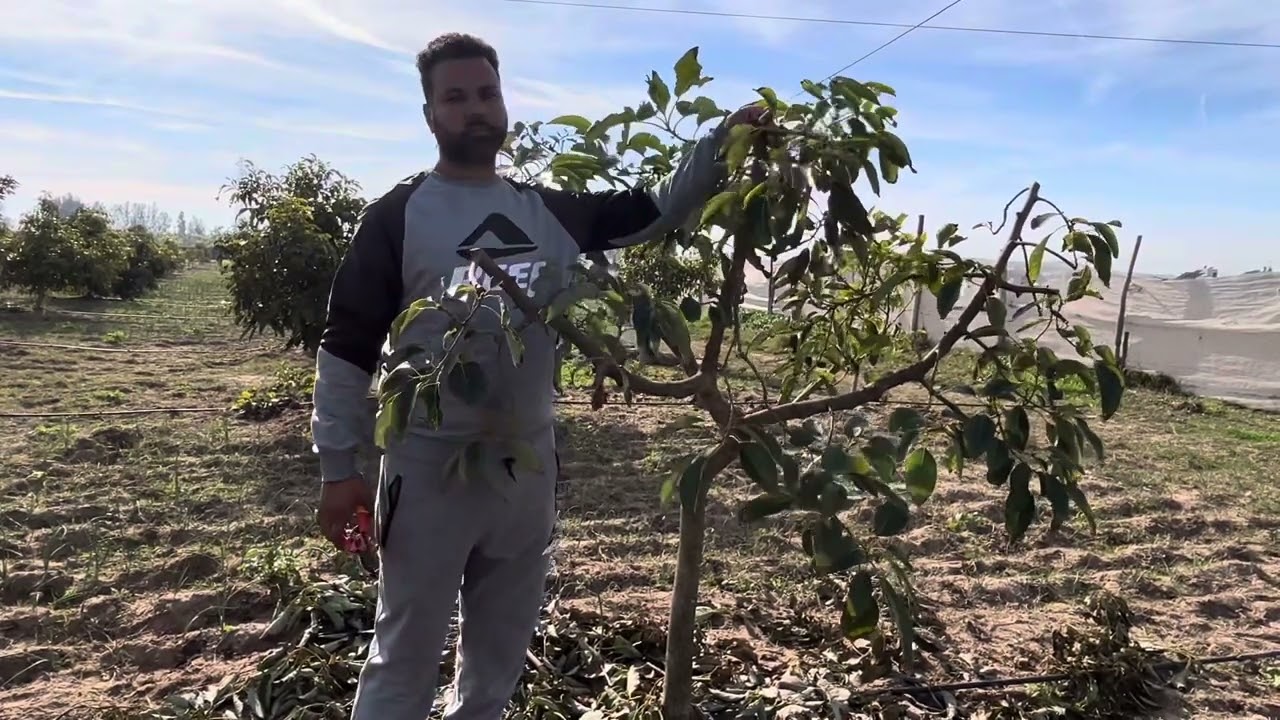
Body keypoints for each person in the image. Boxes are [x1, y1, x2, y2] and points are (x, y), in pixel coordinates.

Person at [310, 32, 769, 720]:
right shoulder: (400, 217)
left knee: (495, 667)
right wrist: (336, 467)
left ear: (504, 104)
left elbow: (652, 210)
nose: (475, 109)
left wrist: (720, 141)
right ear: (430, 114)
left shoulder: (547, 211)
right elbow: (347, 346)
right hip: (428, 468)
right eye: (456, 97)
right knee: (403, 660)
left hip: (526, 469)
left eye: (486, 93)